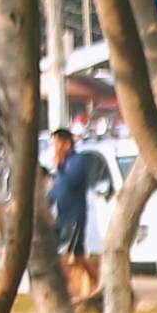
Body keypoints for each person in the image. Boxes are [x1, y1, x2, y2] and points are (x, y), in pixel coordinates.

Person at [48, 128, 102, 300]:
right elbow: (56, 191)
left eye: (58, 143)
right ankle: (101, 285)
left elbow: (68, 184)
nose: (55, 148)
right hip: (62, 216)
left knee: (63, 254)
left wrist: (58, 165)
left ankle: (64, 294)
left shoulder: (77, 162)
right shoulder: (63, 165)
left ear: (67, 143)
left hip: (73, 218)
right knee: (78, 257)